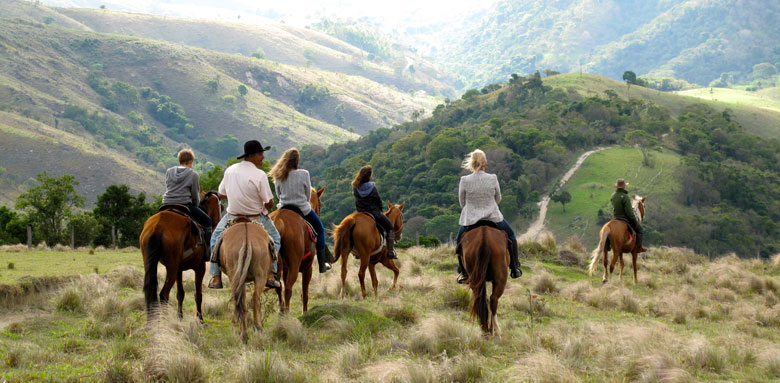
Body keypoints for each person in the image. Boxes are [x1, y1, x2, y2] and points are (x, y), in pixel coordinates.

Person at [208, 140, 282, 289]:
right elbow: (268, 202)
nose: (263, 157)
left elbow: (221, 194)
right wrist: (268, 202)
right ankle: (270, 273)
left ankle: (216, 276)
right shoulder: (260, 175)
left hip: (232, 217)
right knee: (276, 238)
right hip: (256, 218)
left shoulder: (230, 170)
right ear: (252, 155)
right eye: (261, 154)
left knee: (214, 239)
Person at [455, 149, 522, 284]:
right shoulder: (492, 178)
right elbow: (498, 198)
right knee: (512, 235)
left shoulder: (464, 180)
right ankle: (515, 267)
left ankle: (463, 272)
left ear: (472, 165)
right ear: (485, 164)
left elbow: (462, 202)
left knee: (458, 242)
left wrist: (473, 208)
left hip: (471, 220)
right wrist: (488, 206)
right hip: (493, 217)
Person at [269, 148, 333, 273]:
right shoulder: (304, 173)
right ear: (297, 161)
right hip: (302, 209)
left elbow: (278, 194)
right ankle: (322, 264)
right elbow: (308, 195)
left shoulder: (278, 175)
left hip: (283, 207)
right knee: (320, 230)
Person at [162, 149, 212, 254]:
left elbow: (168, 187)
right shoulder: (193, 174)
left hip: (167, 203)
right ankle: (208, 252)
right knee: (207, 221)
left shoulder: (169, 171)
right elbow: (195, 194)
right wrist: (196, 204)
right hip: (184, 204)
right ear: (191, 161)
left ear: (180, 160)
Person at [351, 165, 397, 259]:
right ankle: (390, 251)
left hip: (360, 213)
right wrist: (380, 211)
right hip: (374, 213)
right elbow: (378, 201)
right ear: (369, 176)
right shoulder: (372, 187)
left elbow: (356, 201)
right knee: (390, 227)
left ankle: (355, 250)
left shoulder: (355, 187)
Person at [611, 178, 647, 253]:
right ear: (624, 186)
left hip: (615, 217)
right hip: (624, 218)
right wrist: (633, 218)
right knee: (640, 230)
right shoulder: (625, 196)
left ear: (617, 187)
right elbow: (629, 211)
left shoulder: (613, 196)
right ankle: (638, 247)